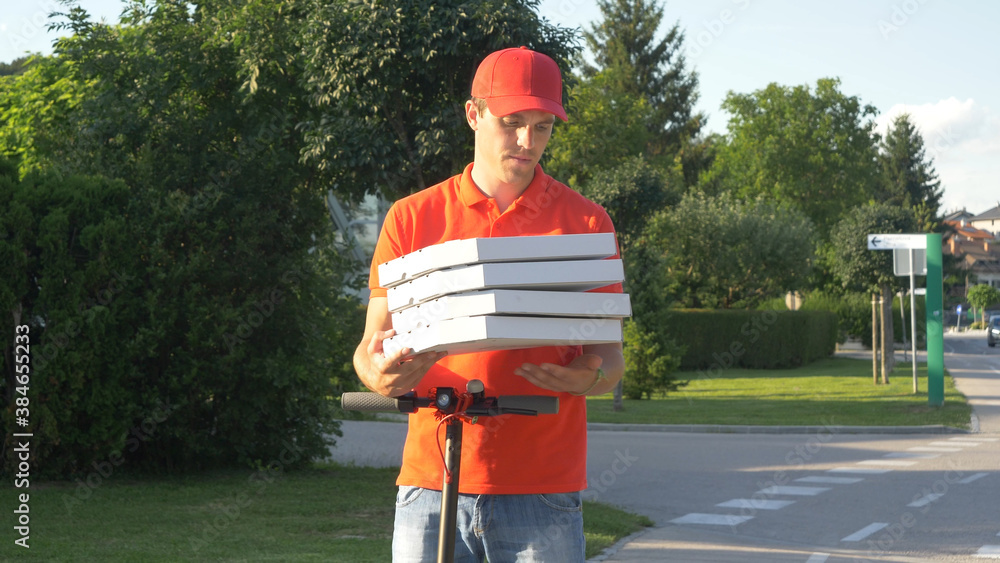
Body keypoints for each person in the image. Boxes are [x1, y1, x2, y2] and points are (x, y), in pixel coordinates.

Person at [353, 46, 625, 562]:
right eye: (512, 122)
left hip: (541, 489)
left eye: (542, 126)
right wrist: (383, 376)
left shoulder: (587, 223)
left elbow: (610, 360)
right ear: (473, 114)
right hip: (431, 483)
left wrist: (587, 378)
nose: (528, 141)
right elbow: (370, 348)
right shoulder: (411, 218)